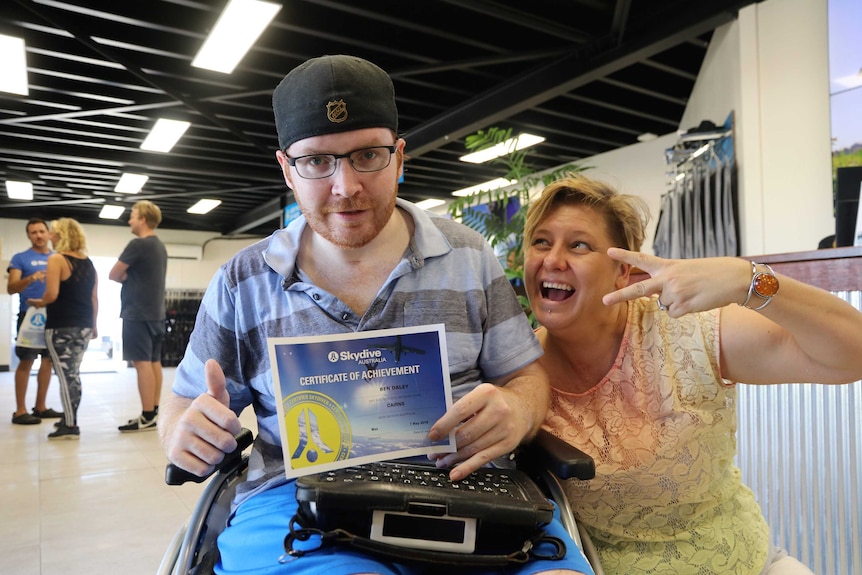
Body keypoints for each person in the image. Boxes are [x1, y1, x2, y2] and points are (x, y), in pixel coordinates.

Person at [158, 55, 592, 575]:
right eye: (317, 161)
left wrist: (520, 410)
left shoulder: (468, 256)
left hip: (467, 489)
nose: (345, 186)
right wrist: (184, 430)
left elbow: (525, 374)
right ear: (286, 170)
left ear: (399, 157)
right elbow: (182, 403)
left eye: (367, 155)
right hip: (297, 503)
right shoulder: (242, 282)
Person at [522, 174, 862, 575]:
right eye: (541, 242)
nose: (553, 259)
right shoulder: (519, 374)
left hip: (748, 563)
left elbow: (851, 354)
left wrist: (746, 278)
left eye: (579, 244)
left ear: (622, 271)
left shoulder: (685, 330)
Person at [27, 218, 98, 440]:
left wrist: (37, 303)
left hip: (60, 327)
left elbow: (52, 295)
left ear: (61, 235)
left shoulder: (56, 259)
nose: (49, 236)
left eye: (53, 232)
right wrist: (94, 325)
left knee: (66, 376)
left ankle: (70, 425)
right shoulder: (88, 262)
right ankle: (69, 417)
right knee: (73, 374)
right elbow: (94, 298)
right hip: (84, 325)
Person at [109, 199, 167, 432]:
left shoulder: (137, 244)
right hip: (155, 312)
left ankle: (147, 415)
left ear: (143, 219)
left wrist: (125, 277)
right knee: (153, 362)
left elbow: (113, 274)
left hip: (137, 312)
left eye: (132, 215)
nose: (130, 220)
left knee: (141, 364)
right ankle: (153, 411)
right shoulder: (159, 246)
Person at [7, 217, 61, 425]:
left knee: (47, 361)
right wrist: (30, 278)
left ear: (48, 233)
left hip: (54, 316)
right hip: (29, 317)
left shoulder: (57, 257)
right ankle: (20, 410)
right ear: (29, 235)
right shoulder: (20, 258)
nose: (38, 235)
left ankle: (41, 406)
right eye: (33, 232)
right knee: (26, 361)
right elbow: (11, 288)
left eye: (41, 231)